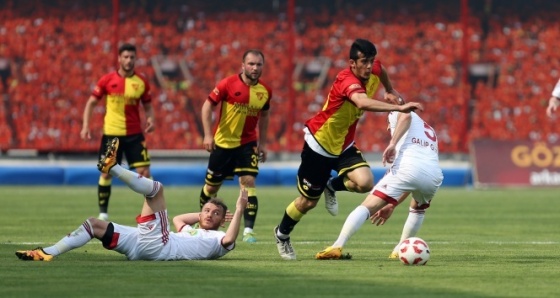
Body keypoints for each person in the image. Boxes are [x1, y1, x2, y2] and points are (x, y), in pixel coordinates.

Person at [273, 38, 424, 260]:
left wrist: (389, 89)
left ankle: (330, 186)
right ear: (352, 63)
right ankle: (282, 233)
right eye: (363, 62)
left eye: (370, 61)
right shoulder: (346, 80)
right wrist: (399, 106)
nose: (368, 66)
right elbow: (362, 103)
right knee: (308, 202)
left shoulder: (373, 69)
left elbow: (381, 70)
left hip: (344, 144)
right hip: (320, 144)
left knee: (365, 183)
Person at [15, 137, 248, 262]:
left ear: (222, 222)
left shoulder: (219, 239)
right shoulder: (191, 229)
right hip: (140, 246)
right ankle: (47, 253)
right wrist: (201, 213)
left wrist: (238, 210)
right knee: (94, 224)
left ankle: (113, 167)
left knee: (156, 189)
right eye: (207, 210)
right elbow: (178, 219)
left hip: (160, 246)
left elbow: (229, 239)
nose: (209, 214)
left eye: (215, 214)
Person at [315, 103, 444, 260]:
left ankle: (337, 246)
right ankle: (399, 249)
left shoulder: (397, 111)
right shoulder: (428, 130)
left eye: (388, 126)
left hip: (409, 168)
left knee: (367, 206)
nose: (389, 129)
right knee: (418, 209)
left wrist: (392, 143)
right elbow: (413, 180)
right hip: (434, 174)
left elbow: (406, 115)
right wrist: (392, 204)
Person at [199, 49, 271, 243]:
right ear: (243, 65)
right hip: (223, 144)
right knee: (212, 188)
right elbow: (207, 106)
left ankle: (248, 230)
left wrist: (262, 142)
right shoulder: (227, 84)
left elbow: (264, 115)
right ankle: (203, 222)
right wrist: (207, 134)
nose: (255, 68)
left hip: (247, 144)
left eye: (259, 64)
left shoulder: (264, 91)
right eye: (251, 64)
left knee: (248, 182)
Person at [80, 43, 155, 221]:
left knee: (144, 171)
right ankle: (103, 213)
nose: (129, 60)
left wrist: (151, 119)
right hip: (112, 134)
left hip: (135, 134)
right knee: (106, 172)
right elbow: (91, 103)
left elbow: (148, 105)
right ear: (119, 58)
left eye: (132, 57)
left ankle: (152, 212)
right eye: (126, 57)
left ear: (136, 59)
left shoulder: (141, 82)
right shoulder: (107, 80)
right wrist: (85, 125)